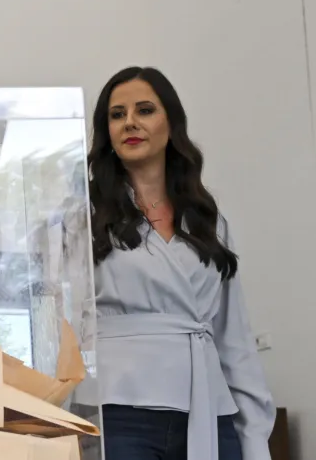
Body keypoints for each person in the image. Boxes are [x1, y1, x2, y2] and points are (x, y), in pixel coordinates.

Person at [88, 67, 275, 460]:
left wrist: (255, 434)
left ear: (170, 123)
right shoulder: (85, 214)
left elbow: (234, 337)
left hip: (208, 407)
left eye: (145, 110)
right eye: (117, 114)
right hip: (121, 410)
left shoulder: (208, 220)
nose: (131, 123)